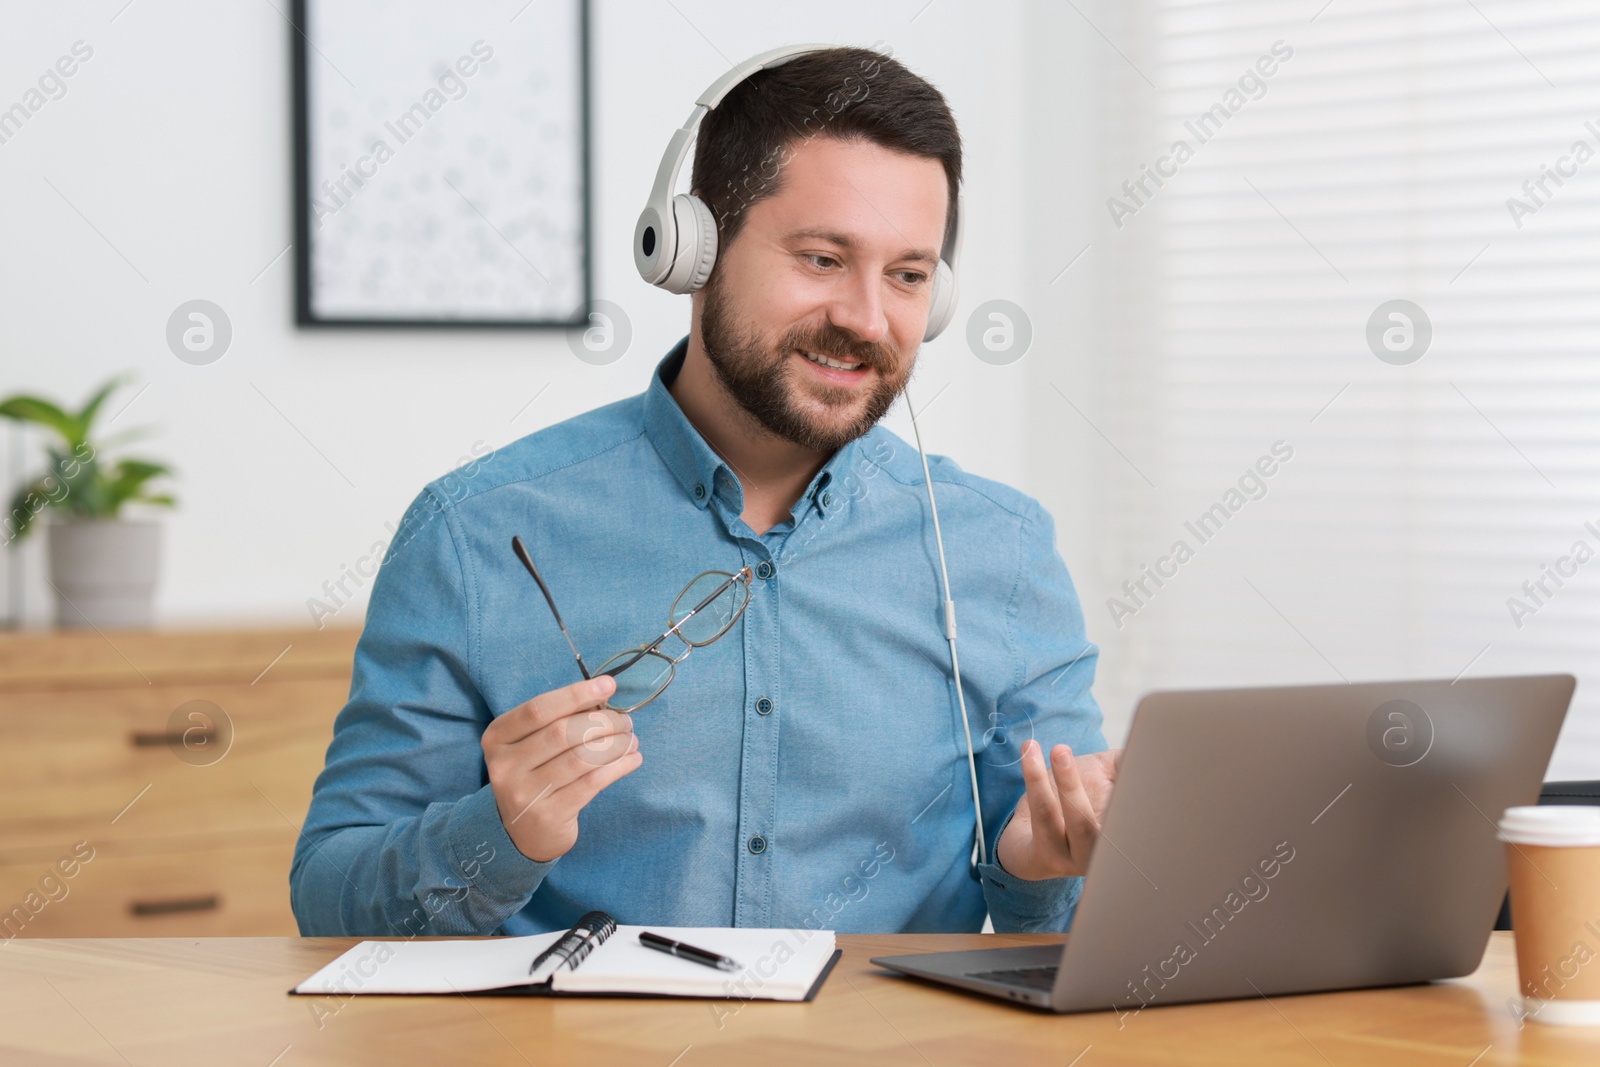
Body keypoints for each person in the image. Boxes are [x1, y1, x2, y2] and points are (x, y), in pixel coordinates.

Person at [290, 46, 1118, 939]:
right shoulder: (475, 532)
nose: (869, 319)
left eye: (908, 275)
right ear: (691, 249)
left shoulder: (1002, 550)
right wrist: (497, 835)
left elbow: (1063, 916)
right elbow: (328, 895)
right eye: (823, 258)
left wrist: (1039, 865)